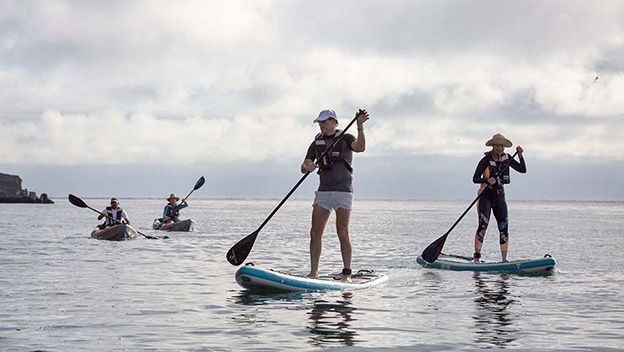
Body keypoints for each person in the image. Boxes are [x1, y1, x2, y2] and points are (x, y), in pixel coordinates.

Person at [301, 108, 369, 282]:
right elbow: (305, 164)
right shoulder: (317, 142)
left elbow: (360, 148)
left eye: (324, 122)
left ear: (334, 122)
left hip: (343, 191)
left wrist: (360, 125)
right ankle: (313, 273)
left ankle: (346, 274)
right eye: (319, 123)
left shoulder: (346, 137)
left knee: (342, 232)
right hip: (324, 191)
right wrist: (307, 166)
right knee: (315, 233)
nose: (321, 125)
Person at [472, 133, 526, 263]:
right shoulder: (485, 160)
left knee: (503, 227)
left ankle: (504, 259)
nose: (499, 148)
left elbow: (522, 169)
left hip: (500, 197)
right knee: (483, 226)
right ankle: (477, 258)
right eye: (497, 145)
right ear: (493, 146)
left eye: (501, 146)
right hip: (485, 196)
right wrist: (486, 179)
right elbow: (475, 178)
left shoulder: (507, 159)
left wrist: (520, 155)